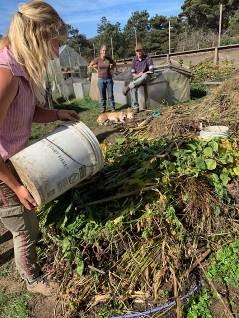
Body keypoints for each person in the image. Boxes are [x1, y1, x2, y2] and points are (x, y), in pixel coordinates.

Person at [0, 1, 79, 296]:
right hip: (2, 167)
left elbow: (26, 112)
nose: (57, 53)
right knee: (24, 226)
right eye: (55, 44)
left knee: (19, 216)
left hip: (11, 159)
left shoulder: (22, 69)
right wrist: (16, 187)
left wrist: (57, 114)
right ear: (36, 37)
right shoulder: (6, 74)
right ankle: (32, 279)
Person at [123, 44, 154, 113]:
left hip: (146, 78)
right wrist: (138, 75)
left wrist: (142, 74)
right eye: (137, 51)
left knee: (145, 75)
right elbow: (133, 73)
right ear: (135, 52)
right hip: (137, 78)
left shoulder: (148, 58)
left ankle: (129, 86)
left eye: (140, 51)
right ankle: (135, 108)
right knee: (133, 87)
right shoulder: (134, 59)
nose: (139, 53)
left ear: (142, 51)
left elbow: (151, 71)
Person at [89, 45, 116, 113]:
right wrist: (97, 69)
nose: (104, 52)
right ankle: (103, 108)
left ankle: (112, 108)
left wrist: (111, 67)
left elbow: (114, 64)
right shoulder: (97, 59)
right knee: (102, 96)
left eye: (105, 50)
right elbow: (90, 65)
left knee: (110, 95)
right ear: (100, 51)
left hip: (109, 79)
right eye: (103, 50)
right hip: (101, 80)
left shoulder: (108, 59)